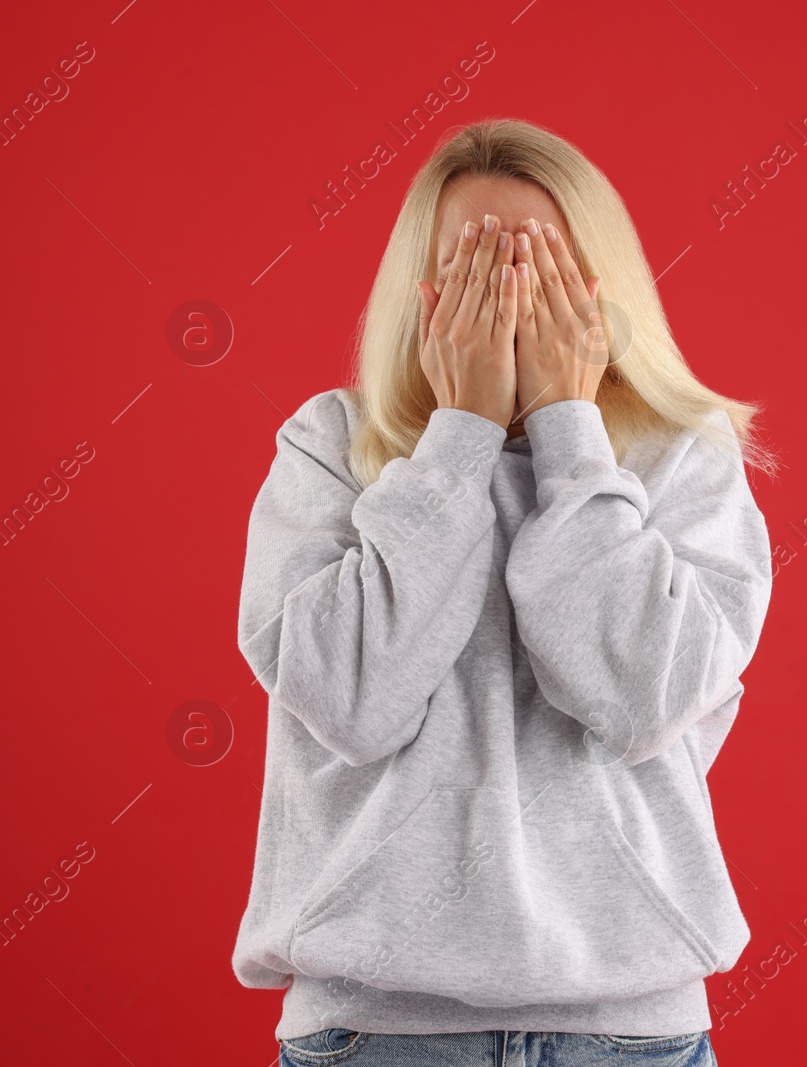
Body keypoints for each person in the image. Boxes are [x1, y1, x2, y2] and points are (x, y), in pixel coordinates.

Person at [231, 117, 778, 1066]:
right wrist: (459, 436)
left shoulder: (683, 458)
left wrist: (570, 430)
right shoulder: (329, 446)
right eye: (476, 269)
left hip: (629, 1030)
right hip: (377, 1031)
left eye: (538, 267)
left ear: (600, 292)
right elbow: (352, 699)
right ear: (420, 292)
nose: (509, 303)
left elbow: (646, 693)